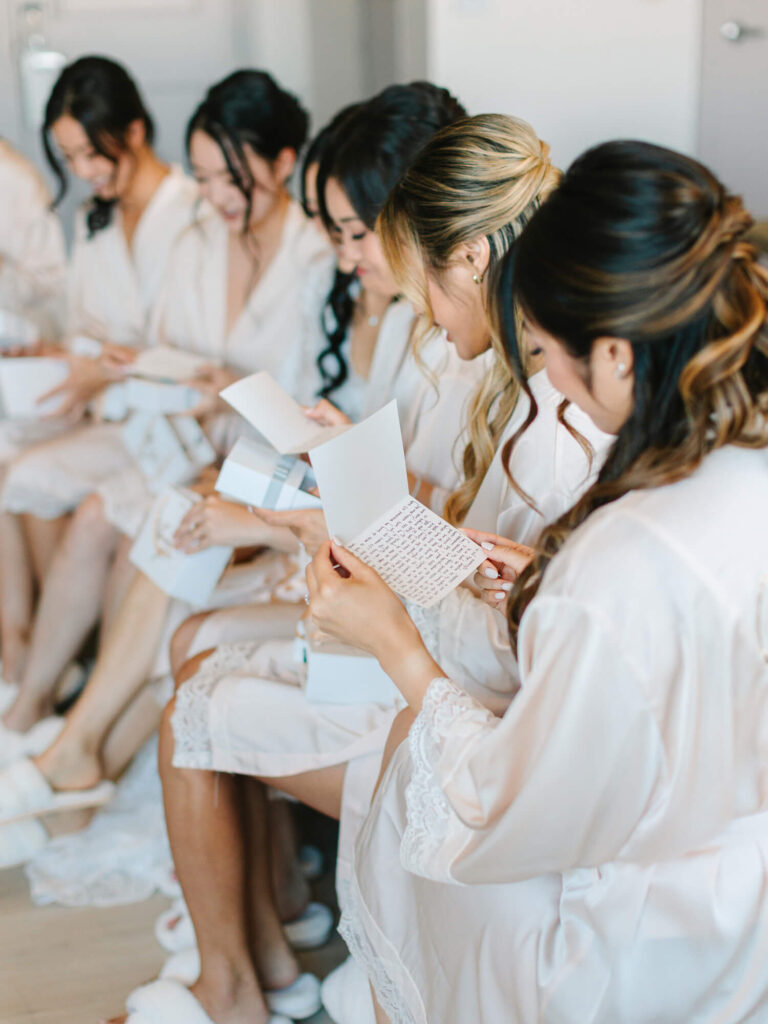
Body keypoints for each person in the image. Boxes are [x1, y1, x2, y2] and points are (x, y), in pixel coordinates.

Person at [307, 140, 768, 1024]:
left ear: (618, 355)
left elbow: (511, 809)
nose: (546, 377)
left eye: (552, 350)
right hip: (744, 904)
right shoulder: (736, 469)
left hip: (645, 953)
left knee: (413, 798)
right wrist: (544, 583)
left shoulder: (620, 563)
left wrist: (395, 643)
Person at [0, 56, 197, 707]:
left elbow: (195, 351)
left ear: (134, 131)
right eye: (70, 157)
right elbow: (87, 326)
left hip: (179, 424)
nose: (83, 171)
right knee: (23, 478)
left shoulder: (193, 213)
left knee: (67, 497)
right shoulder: (95, 220)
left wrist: (103, 369)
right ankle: (57, 655)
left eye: (92, 153)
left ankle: (66, 672)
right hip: (117, 414)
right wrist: (59, 350)